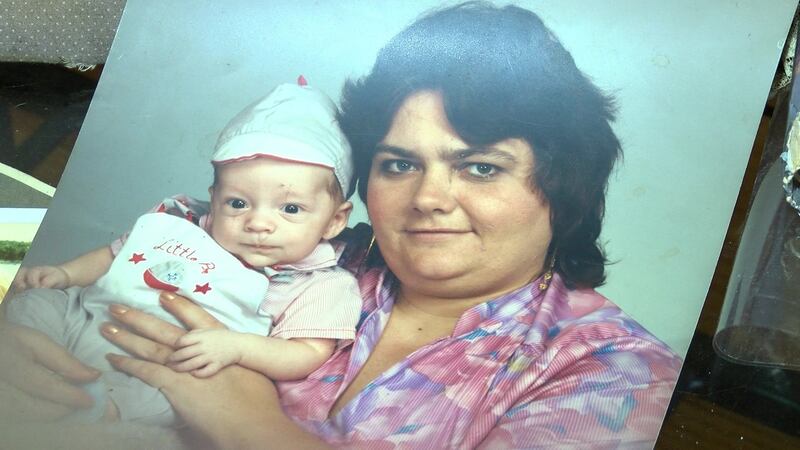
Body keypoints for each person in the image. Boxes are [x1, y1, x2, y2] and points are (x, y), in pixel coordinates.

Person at [0, 2, 682, 448]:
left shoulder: (614, 374)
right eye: (398, 163)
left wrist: (252, 425)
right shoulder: (302, 250)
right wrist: (23, 343)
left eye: (479, 167)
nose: (428, 198)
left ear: (564, 183)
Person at [3, 82, 361, 425]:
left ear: (335, 219)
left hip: (160, 368)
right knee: (35, 304)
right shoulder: (181, 220)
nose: (258, 223)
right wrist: (65, 275)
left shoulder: (318, 284)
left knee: (176, 400)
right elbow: (116, 254)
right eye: (238, 203)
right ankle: (31, 368)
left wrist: (237, 348)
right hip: (87, 317)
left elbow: (307, 352)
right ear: (214, 198)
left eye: (291, 209)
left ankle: (99, 410)